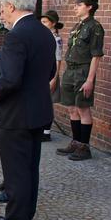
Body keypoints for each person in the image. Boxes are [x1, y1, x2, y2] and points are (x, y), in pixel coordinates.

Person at [0, 0, 56, 220]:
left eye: (3, 8)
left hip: (16, 116)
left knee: (16, 174)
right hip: (37, 113)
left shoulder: (16, 36)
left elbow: (11, 79)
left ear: (11, 7)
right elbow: (51, 73)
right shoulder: (44, 34)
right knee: (29, 171)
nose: (2, 13)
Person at [57, 0, 104, 161]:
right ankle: (76, 142)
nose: (75, 7)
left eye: (79, 4)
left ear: (89, 7)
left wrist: (90, 80)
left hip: (83, 72)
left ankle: (84, 147)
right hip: (70, 71)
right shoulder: (77, 26)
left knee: (83, 108)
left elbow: (96, 56)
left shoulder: (95, 27)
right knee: (71, 107)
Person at [39, 10, 64, 142]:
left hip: (51, 74)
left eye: (45, 22)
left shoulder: (56, 39)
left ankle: (46, 132)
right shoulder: (44, 36)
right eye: (41, 22)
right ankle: (41, 129)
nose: (42, 24)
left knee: (47, 104)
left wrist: (54, 78)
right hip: (43, 74)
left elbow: (58, 60)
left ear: (53, 23)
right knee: (42, 103)